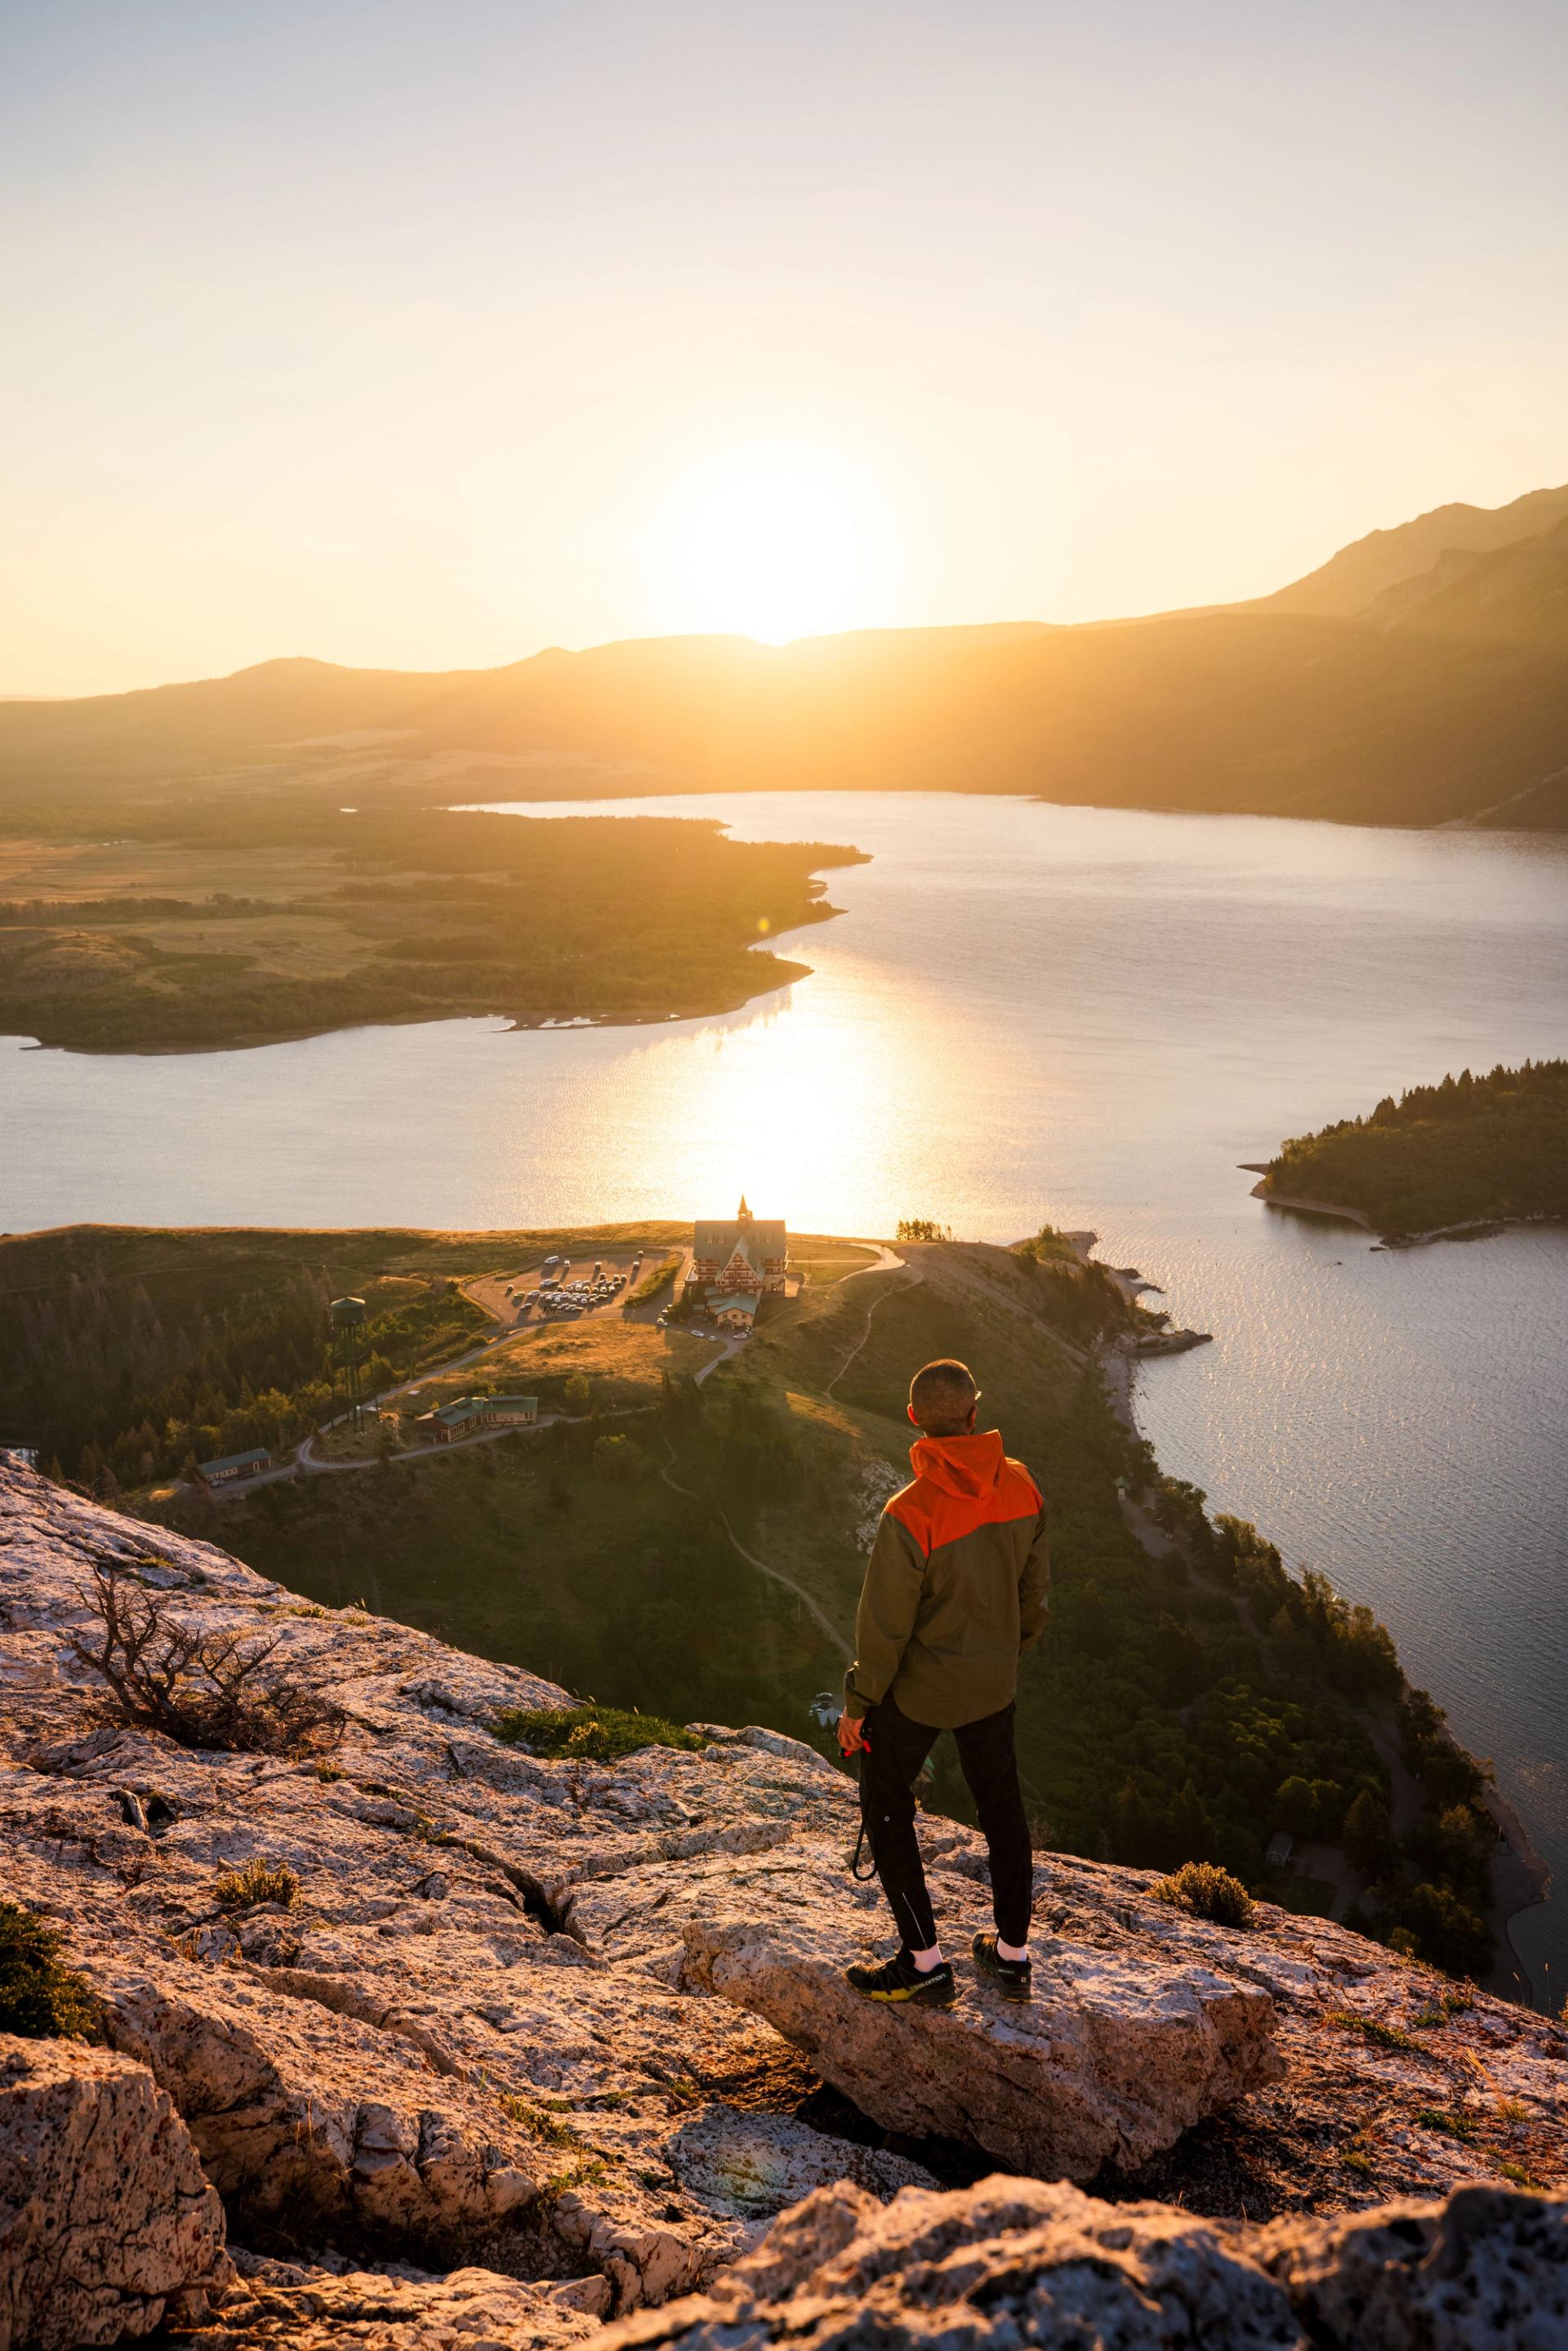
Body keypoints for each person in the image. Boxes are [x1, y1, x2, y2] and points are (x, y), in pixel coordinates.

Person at [837, 1357, 1049, 2008]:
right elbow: (1034, 1594)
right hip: (994, 1681)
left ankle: (924, 1960)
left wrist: (857, 1705)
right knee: (1002, 1809)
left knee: (887, 1801)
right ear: (975, 1413)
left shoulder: (910, 1511)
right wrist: (1006, 1651)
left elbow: (884, 1629)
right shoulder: (1022, 1486)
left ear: (913, 1422)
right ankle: (1012, 1956)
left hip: (924, 1687)